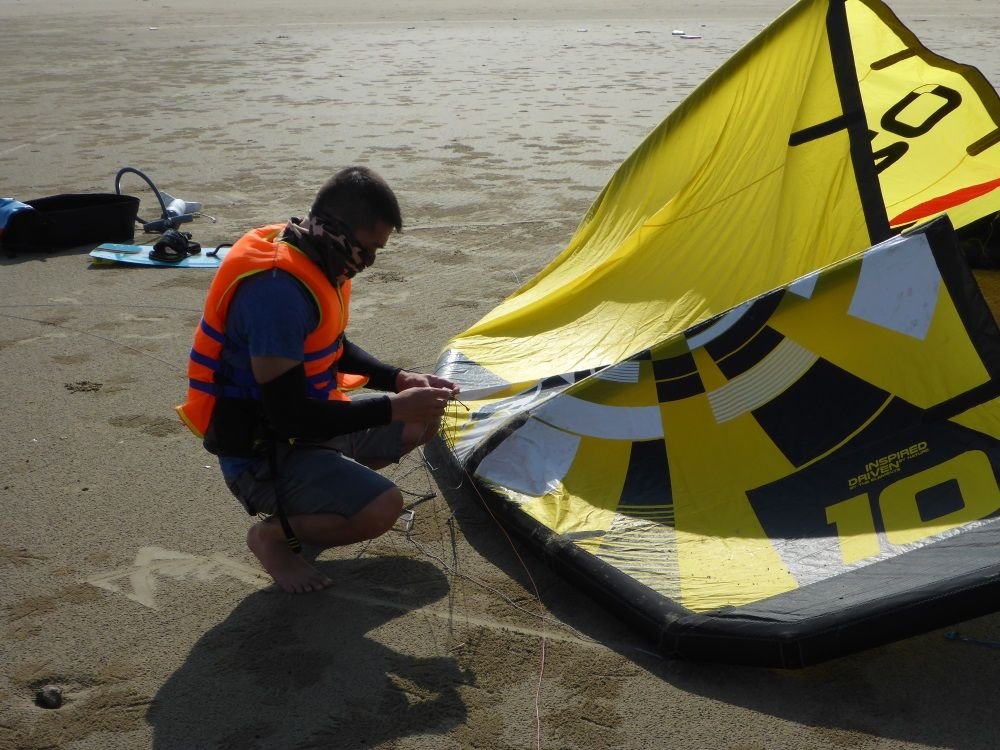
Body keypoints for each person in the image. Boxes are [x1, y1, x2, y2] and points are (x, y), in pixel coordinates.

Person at [176, 166, 458, 593]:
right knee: (383, 508)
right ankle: (272, 537)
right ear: (338, 230)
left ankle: (322, 503)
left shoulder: (314, 256)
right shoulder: (276, 292)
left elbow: (333, 343)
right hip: (263, 454)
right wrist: (391, 406)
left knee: (421, 423)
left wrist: (398, 379)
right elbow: (289, 417)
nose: (370, 262)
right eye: (368, 249)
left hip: (310, 431)